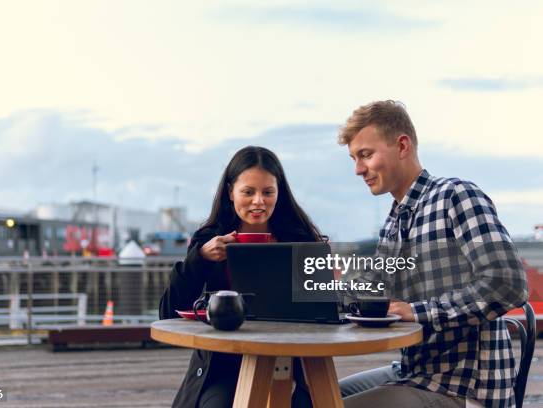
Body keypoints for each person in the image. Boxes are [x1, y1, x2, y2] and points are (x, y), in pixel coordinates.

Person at [336, 100, 528, 407]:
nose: (358, 169)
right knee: (312, 396)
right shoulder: (395, 220)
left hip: (463, 388)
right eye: (354, 158)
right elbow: (374, 289)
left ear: (402, 145)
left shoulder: (457, 196)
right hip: (415, 373)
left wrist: (416, 311)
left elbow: (507, 283)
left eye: (366, 155)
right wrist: (309, 297)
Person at [159, 146, 325, 407]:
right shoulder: (209, 240)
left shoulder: (299, 239)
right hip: (223, 365)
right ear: (230, 193)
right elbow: (168, 312)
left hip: (291, 361)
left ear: (279, 194)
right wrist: (200, 258)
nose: (258, 201)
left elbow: (322, 313)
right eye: (248, 192)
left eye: (268, 192)